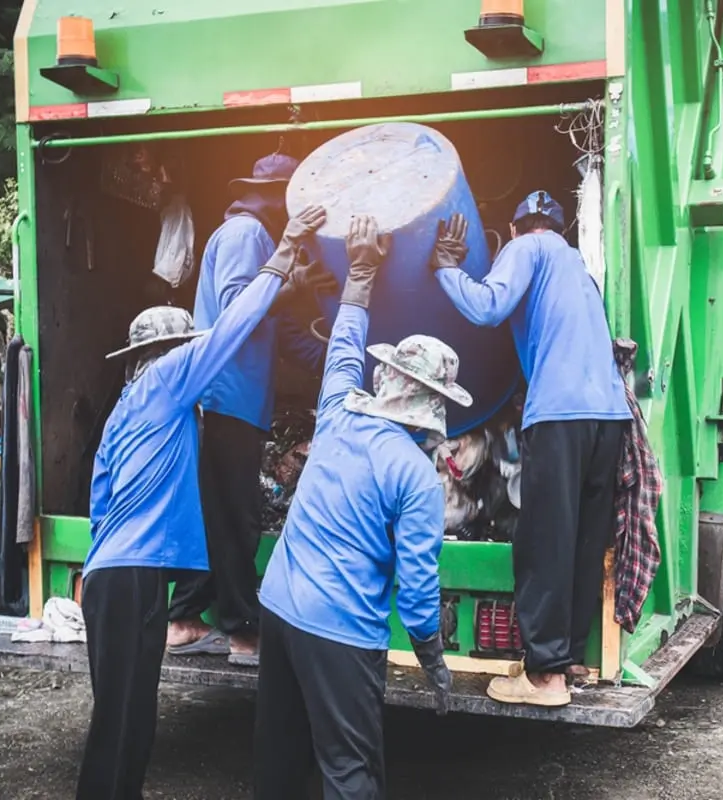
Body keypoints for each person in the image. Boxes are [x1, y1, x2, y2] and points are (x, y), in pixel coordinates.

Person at [77, 207, 332, 800]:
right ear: (170, 351)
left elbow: (99, 498)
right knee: (124, 723)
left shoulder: (125, 408)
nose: (192, 355)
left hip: (110, 578)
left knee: (122, 717)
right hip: (134, 579)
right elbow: (235, 325)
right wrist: (284, 252)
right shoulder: (169, 383)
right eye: (184, 348)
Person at [254, 215, 465, 799]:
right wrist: (433, 661)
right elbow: (418, 593)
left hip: (278, 606)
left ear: (389, 379)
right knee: (350, 772)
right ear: (436, 405)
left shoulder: (341, 408)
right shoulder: (418, 479)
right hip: (341, 632)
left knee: (278, 757)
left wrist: (363, 269)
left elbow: (343, 344)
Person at [429, 191, 631, 708]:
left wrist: (448, 269)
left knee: (544, 541)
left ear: (517, 229)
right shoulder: (579, 267)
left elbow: (487, 306)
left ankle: (544, 678)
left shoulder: (528, 248)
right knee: (585, 540)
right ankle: (571, 661)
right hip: (607, 416)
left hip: (559, 414)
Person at [167, 151, 326, 666]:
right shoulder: (246, 234)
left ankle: (186, 617)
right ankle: (238, 630)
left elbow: (281, 337)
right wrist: (295, 283)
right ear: (282, 194)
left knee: (217, 511)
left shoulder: (257, 239)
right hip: (225, 397)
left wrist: (343, 355)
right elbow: (241, 310)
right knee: (235, 515)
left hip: (236, 401)